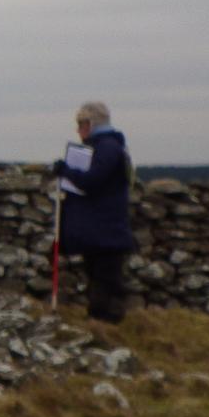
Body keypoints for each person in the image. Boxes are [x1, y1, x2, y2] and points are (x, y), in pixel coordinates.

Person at [52, 101, 136, 323]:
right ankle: (100, 319)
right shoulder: (107, 146)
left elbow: (92, 180)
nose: (78, 130)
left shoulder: (107, 147)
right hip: (102, 229)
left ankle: (107, 321)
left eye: (81, 123)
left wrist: (66, 171)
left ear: (92, 123)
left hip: (105, 229)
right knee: (99, 275)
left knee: (106, 277)